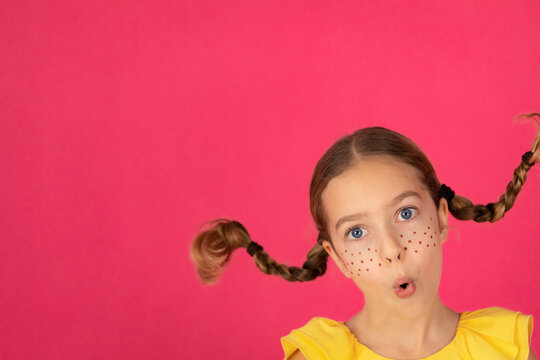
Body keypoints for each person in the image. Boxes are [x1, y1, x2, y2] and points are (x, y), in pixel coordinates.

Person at [190, 114, 540, 360]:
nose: (391, 249)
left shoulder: (505, 347)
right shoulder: (319, 356)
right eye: (357, 232)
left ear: (441, 218)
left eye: (405, 214)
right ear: (338, 257)